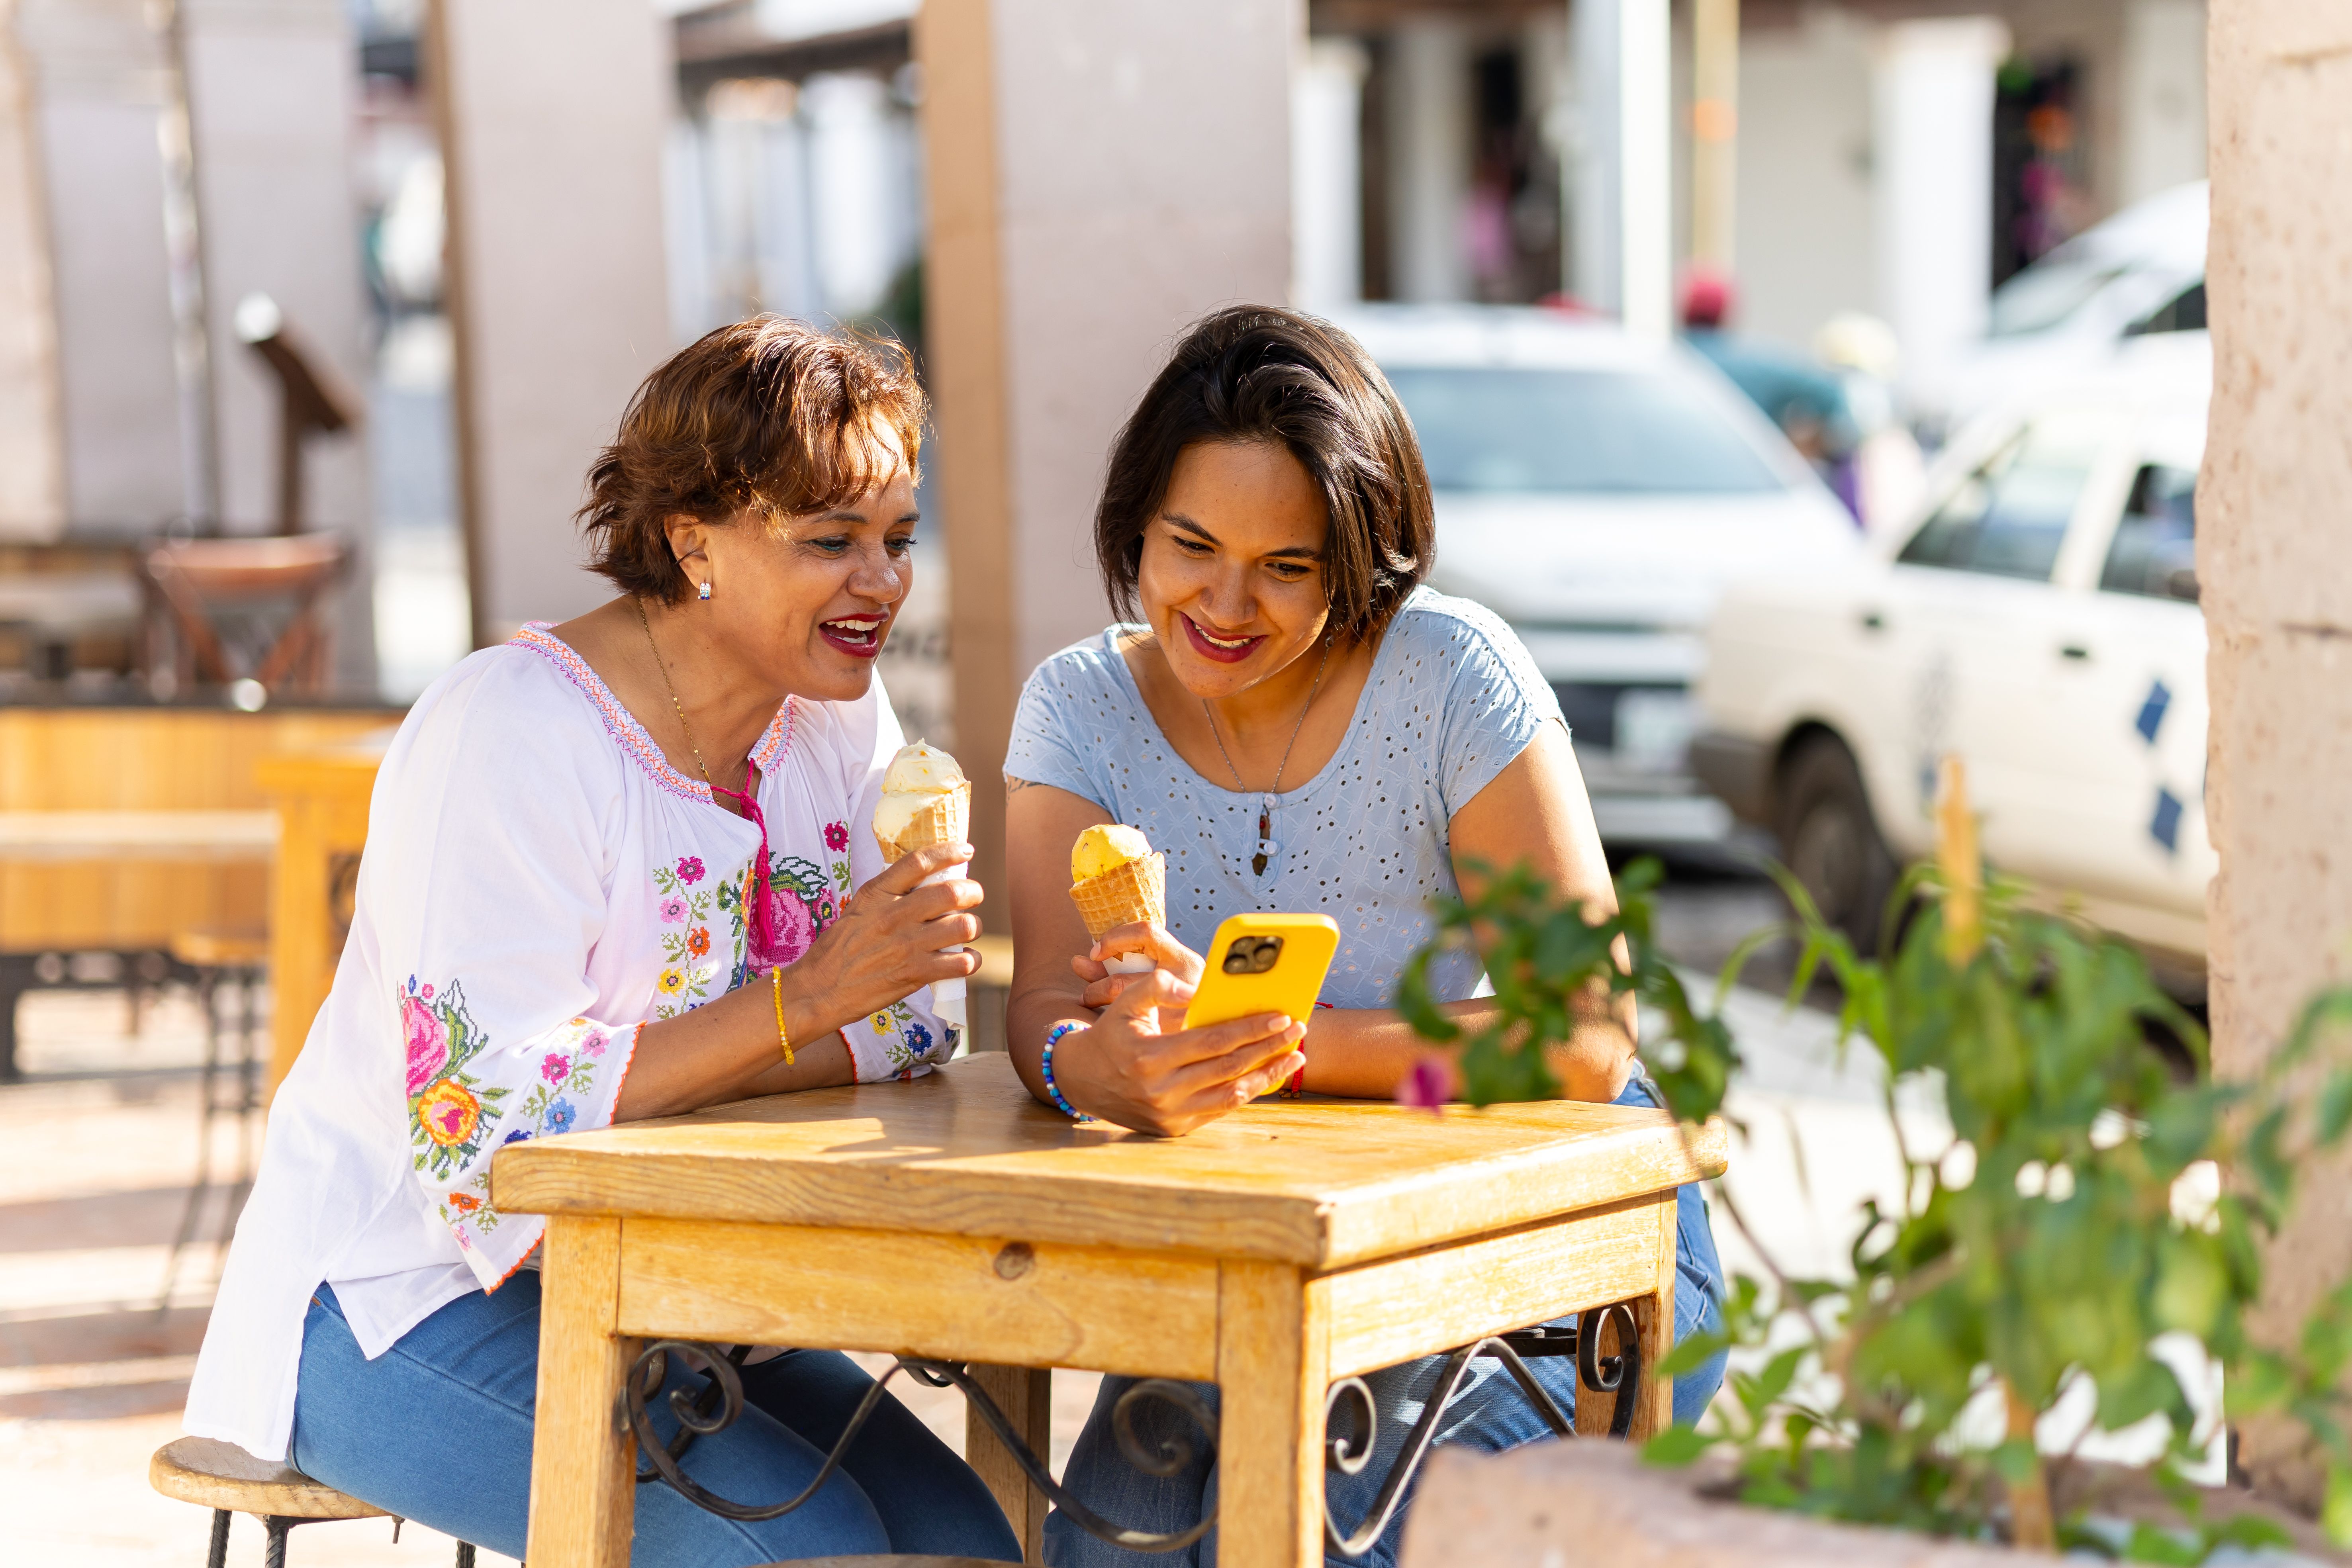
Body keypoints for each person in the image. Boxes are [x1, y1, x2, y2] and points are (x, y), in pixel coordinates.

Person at [183, 318, 1021, 1566]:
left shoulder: (837, 722)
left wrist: (740, 1034)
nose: (884, 582)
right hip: (396, 1301)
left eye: (897, 539)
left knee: (966, 1536)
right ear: (694, 542)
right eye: (829, 540)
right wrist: (802, 1005)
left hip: (685, 1291)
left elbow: (912, 1017)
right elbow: (490, 1123)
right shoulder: (508, 732)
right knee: (807, 1553)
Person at [1001, 306, 1727, 1567]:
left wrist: (1282, 1050)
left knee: (1357, 1534)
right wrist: (1087, 1066)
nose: (1224, 602)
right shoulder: (1079, 707)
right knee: (1119, 1545)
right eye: (1190, 547)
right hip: (1262, 1252)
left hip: (1551, 1250)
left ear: (1359, 559)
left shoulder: (1450, 675)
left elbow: (1584, 1042)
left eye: (1286, 566)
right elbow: (1044, 1017)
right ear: (1135, 527)